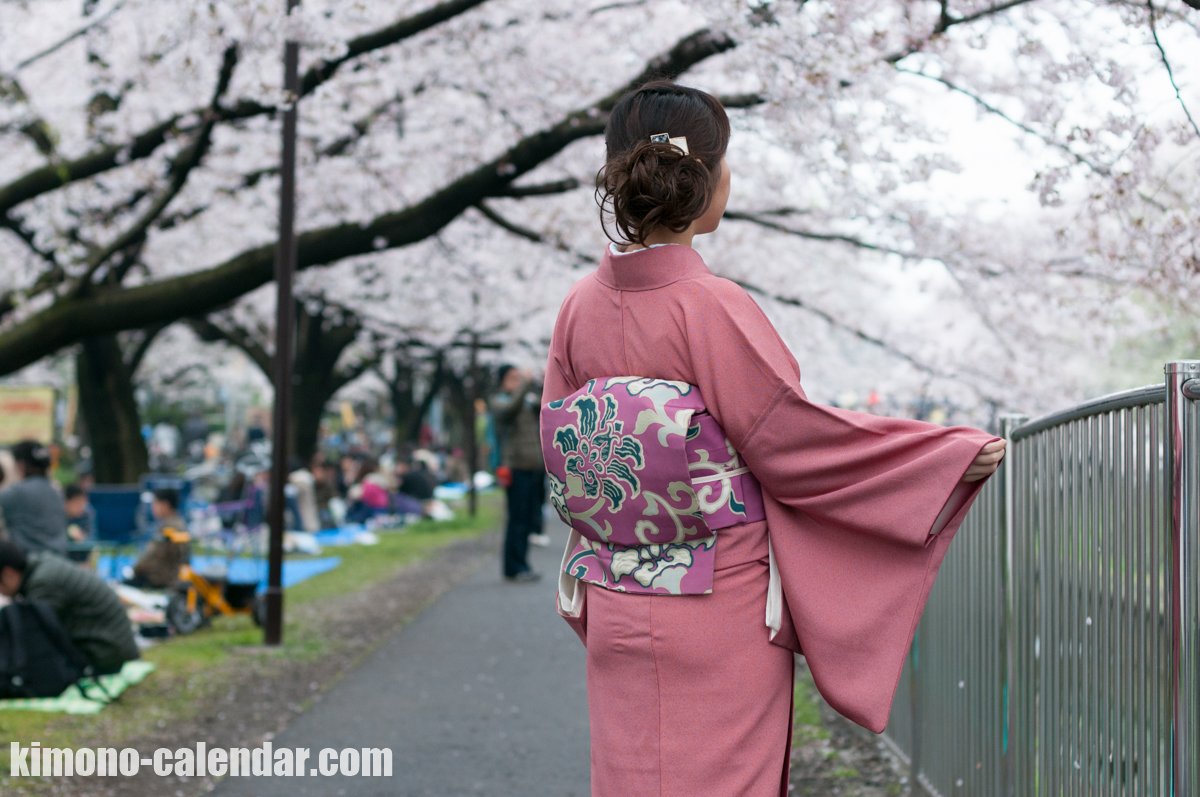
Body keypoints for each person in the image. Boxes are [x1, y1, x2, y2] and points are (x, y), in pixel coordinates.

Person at [541, 80, 1006, 796]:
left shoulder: (578, 308)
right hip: (714, 603)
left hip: (615, 601)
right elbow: (793, 443)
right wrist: (941, 457)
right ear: (707, 178)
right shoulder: (713, 306)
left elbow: (564, 457)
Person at [0, 540, 140, 675]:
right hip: (111, 644)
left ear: (8, 574)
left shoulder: (43, 583)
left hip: (106, 652)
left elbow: (34, 636)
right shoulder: (41, 567)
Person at [491, 365, 546, 582]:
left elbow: (544, 408)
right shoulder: (498, 401)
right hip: (514, 468)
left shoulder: (527, 399)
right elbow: (509, 411)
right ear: (503, 380)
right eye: (513, 378)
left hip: (533, 467)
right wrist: (524, 385)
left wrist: (539, 383)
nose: (517, 381)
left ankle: (522, 565)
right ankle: (513, 567)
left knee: (528, 519)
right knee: (516, 520)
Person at [0, 440, 69, 556]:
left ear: (21, 465)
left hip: (31, 563)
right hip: (59, 559)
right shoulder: (56, 491)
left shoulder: (17, 492)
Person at [127, 488, 190, 589]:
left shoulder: (169, 528)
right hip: (171, 579)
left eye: (155, 503)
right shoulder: (179, 523)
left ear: (165, 505)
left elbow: (152, 557)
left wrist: (135, 569)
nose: (152, 507)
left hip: (160, 581)